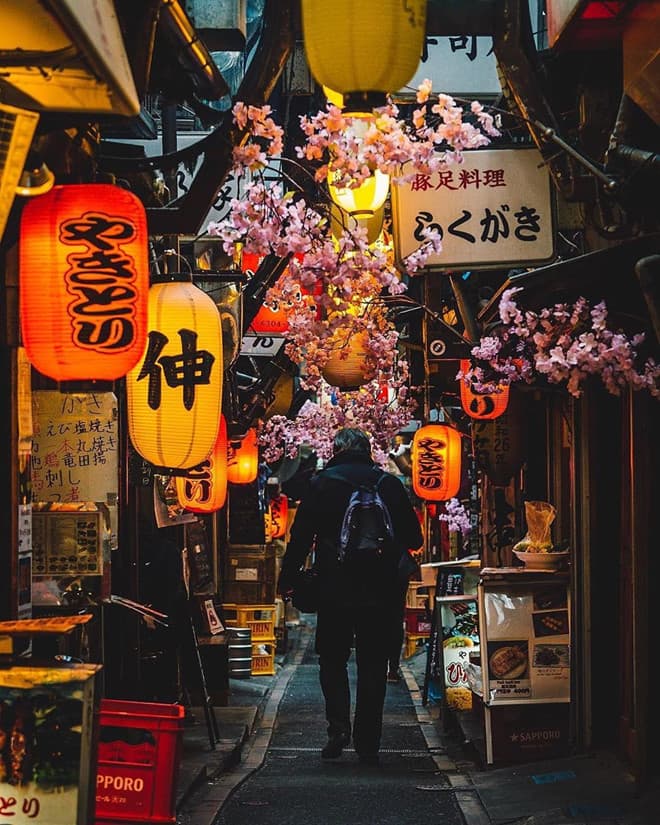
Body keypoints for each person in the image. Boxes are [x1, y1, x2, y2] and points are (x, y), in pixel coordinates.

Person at [277, 427, 423, 764]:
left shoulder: (322, 483)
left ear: (337, 449)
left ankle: (337, 728)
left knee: (332, 659)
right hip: (380, 591)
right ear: (368, 450)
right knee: (373, 662)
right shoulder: (388, 484)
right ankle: (368, 740)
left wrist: (288, 579)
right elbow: (413, 538)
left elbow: (300, 538)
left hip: (334, 589)